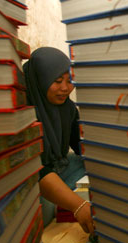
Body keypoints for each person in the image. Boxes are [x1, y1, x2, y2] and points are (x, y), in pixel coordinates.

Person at [23, 47, 94, 233]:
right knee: (43, 216)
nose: (65, 88)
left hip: (59, 166)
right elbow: (36, 170)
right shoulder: (23, 114)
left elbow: (80, 146)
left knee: (91, 165)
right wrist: (78, 207)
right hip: (33, 178)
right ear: (41, 81)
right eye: (57, 81)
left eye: (70, 80)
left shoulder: (67, 108)